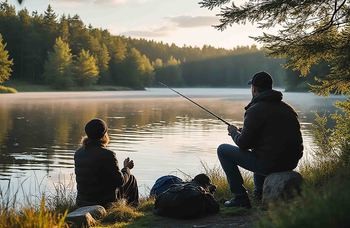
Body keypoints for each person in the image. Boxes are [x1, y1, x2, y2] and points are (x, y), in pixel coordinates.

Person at [218, 71, 303, 208]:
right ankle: (259, 193)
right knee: (261, 150)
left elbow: (243, 144)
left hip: (270, 164)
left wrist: (234, 132)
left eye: (251, 87)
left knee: (223, 150)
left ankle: (240, 197)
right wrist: (244, 132)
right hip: (291, 162)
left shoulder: (255, 110)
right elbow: (271, 137)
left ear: (255, 89)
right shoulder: (287, 109)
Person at [74, 118, 139, 208]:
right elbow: (120, 182)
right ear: (104, 135)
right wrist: (126, 168)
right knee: (131, 178)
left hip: (82, 202)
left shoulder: (78, 153)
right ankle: (132, 211)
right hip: (102, 202)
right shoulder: (108, 154)